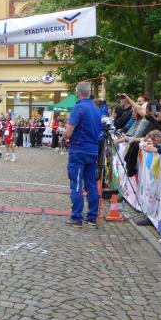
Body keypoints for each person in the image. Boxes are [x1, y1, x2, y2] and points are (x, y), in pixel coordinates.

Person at [61, 82, 101, 226]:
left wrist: (62, 139)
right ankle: (92, 216)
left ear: (78, 93)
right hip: (93, 150)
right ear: (89, 93)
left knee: (77, 183)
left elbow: (69, 131)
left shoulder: (78, 108)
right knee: (91, 184)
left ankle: (77, 217)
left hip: (79, 149)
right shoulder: (96, 109)